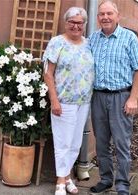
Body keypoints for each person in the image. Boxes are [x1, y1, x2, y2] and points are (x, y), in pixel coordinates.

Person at [88, 1, 138, 194]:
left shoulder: (128, 38)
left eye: (109, 13)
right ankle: (105, 179)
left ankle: (122, 184)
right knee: (101, 142)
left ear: (117, 16)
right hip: (98, 97)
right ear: (98, 18)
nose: (105, 17)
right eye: (102, 14)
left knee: (122, 143)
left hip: (121, 97)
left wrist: (133, 98)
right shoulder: (92, 39)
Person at [42, 7, 94, 195]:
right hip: (63, 102)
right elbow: (48, 74)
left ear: (84, 25)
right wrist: (54, 100)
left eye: (80, 22)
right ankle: (59, 182)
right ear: (66, 23)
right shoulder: (57, 43)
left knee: (75, 144)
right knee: (63, 143)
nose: (76, 26)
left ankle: (67, 177)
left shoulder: (88, 44)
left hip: (84, 102)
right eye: (72, 21)